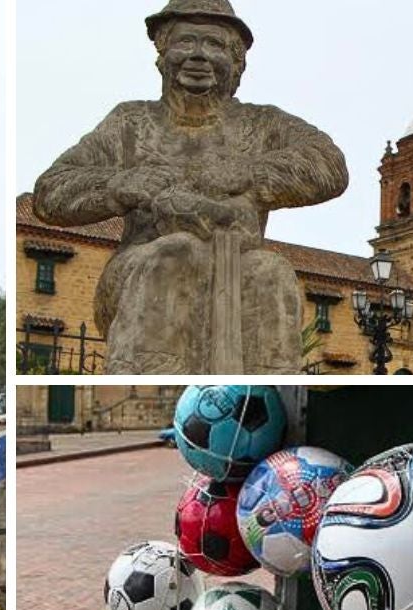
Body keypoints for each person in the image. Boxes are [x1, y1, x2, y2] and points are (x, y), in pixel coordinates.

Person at [34, 0, 348, 373]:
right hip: (143, 269)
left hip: (237, 264)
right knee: (176, 253)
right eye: (186, 42)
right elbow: (50, 192)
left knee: (271, 273)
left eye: (214, 45)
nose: (198, 56)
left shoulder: (261, 125)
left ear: (236, 62)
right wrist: (121, 184)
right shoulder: (131, 122)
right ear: (163, 53)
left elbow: (330, 165)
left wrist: (248, 173)